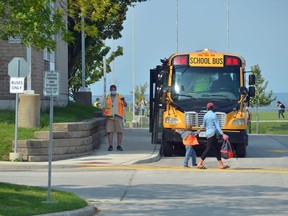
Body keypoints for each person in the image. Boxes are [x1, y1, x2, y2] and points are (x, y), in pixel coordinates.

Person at [197, 102, 230, 169]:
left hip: (208, 134)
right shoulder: (214, 115)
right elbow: (217, 126)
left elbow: (203, 125)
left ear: (207, 108)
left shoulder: (205, 115)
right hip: (212, 134)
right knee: (208, 149)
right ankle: (200, 163)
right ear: (213, 108)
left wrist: (201, 127)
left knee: (217, 149)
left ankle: (221, 164)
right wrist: (222, 134)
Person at [102, 85, 127, 151]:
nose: (113, 91)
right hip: (110, 116)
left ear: (116, 90)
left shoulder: (120, 97)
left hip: (118, 116)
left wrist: (124, 100)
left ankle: (119, 145)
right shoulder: (107, 97)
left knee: (119, 131)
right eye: (112, 90)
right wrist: (104, 112)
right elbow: (103, 106)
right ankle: (110, 145)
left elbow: (125, 105)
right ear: (110, 90)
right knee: (110, 131)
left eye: (114, 89)